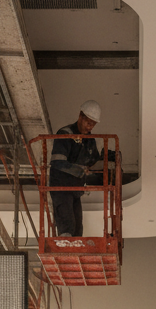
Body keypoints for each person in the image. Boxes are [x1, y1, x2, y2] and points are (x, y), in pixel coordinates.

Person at [49, 99, 116, 237]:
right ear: (80, 116)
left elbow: (93, 159)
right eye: (88, 122)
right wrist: (79, 170)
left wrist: (105, 158)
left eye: (93, 124)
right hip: (61, 187)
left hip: (75, 190)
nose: (90, 127)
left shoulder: (89, 140)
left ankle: (72, 249)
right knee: (67, 225)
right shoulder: (65, 134)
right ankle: (65, 247)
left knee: (77, 229)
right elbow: (57, 162)